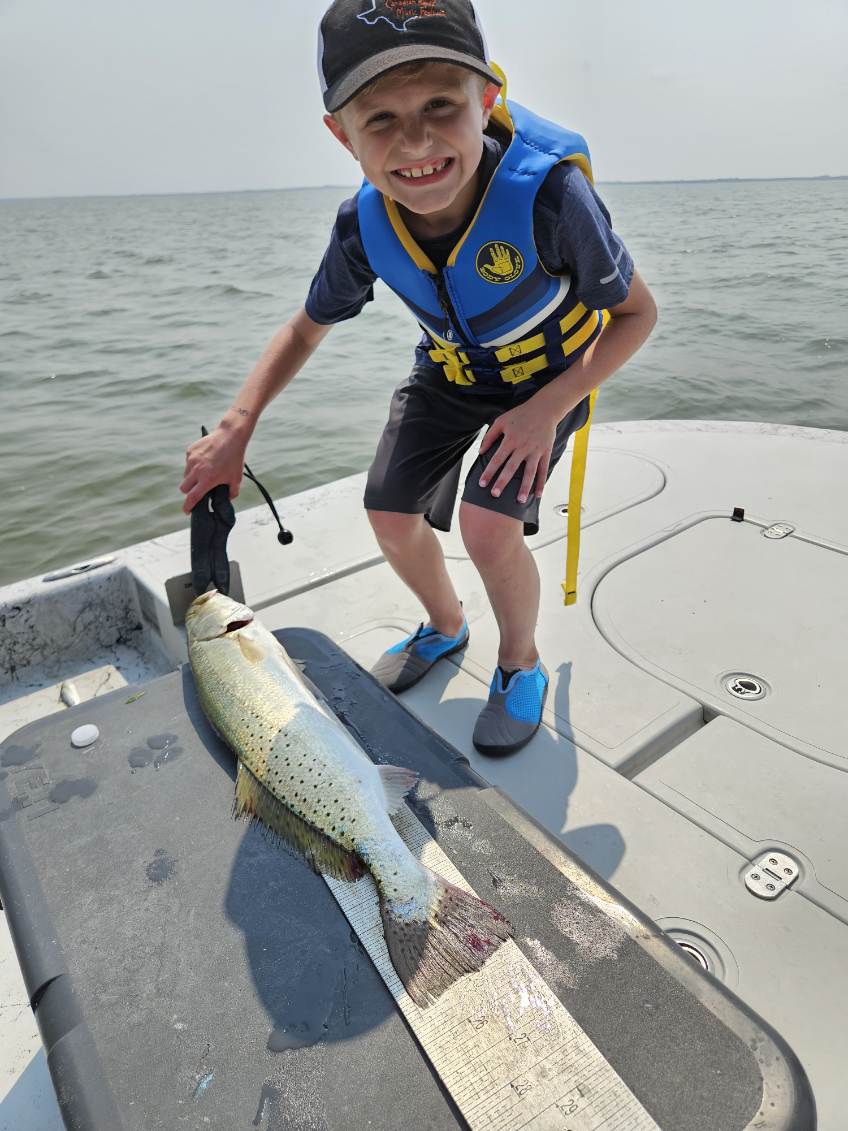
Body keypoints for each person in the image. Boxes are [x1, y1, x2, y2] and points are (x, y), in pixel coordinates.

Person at [180, 0, 657, 757]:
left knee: (488, 527)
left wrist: (547, 409)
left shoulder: (552, 198)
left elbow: (635, 314)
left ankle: (520, 663)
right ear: (342, 134)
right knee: (388, 512)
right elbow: (305, 328)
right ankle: (445, 625)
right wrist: (237, 426)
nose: (417, 142)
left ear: (486, 99)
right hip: (449, 372)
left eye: (441, 105)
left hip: (548, 377)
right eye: (381, 119)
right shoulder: (363, 225)